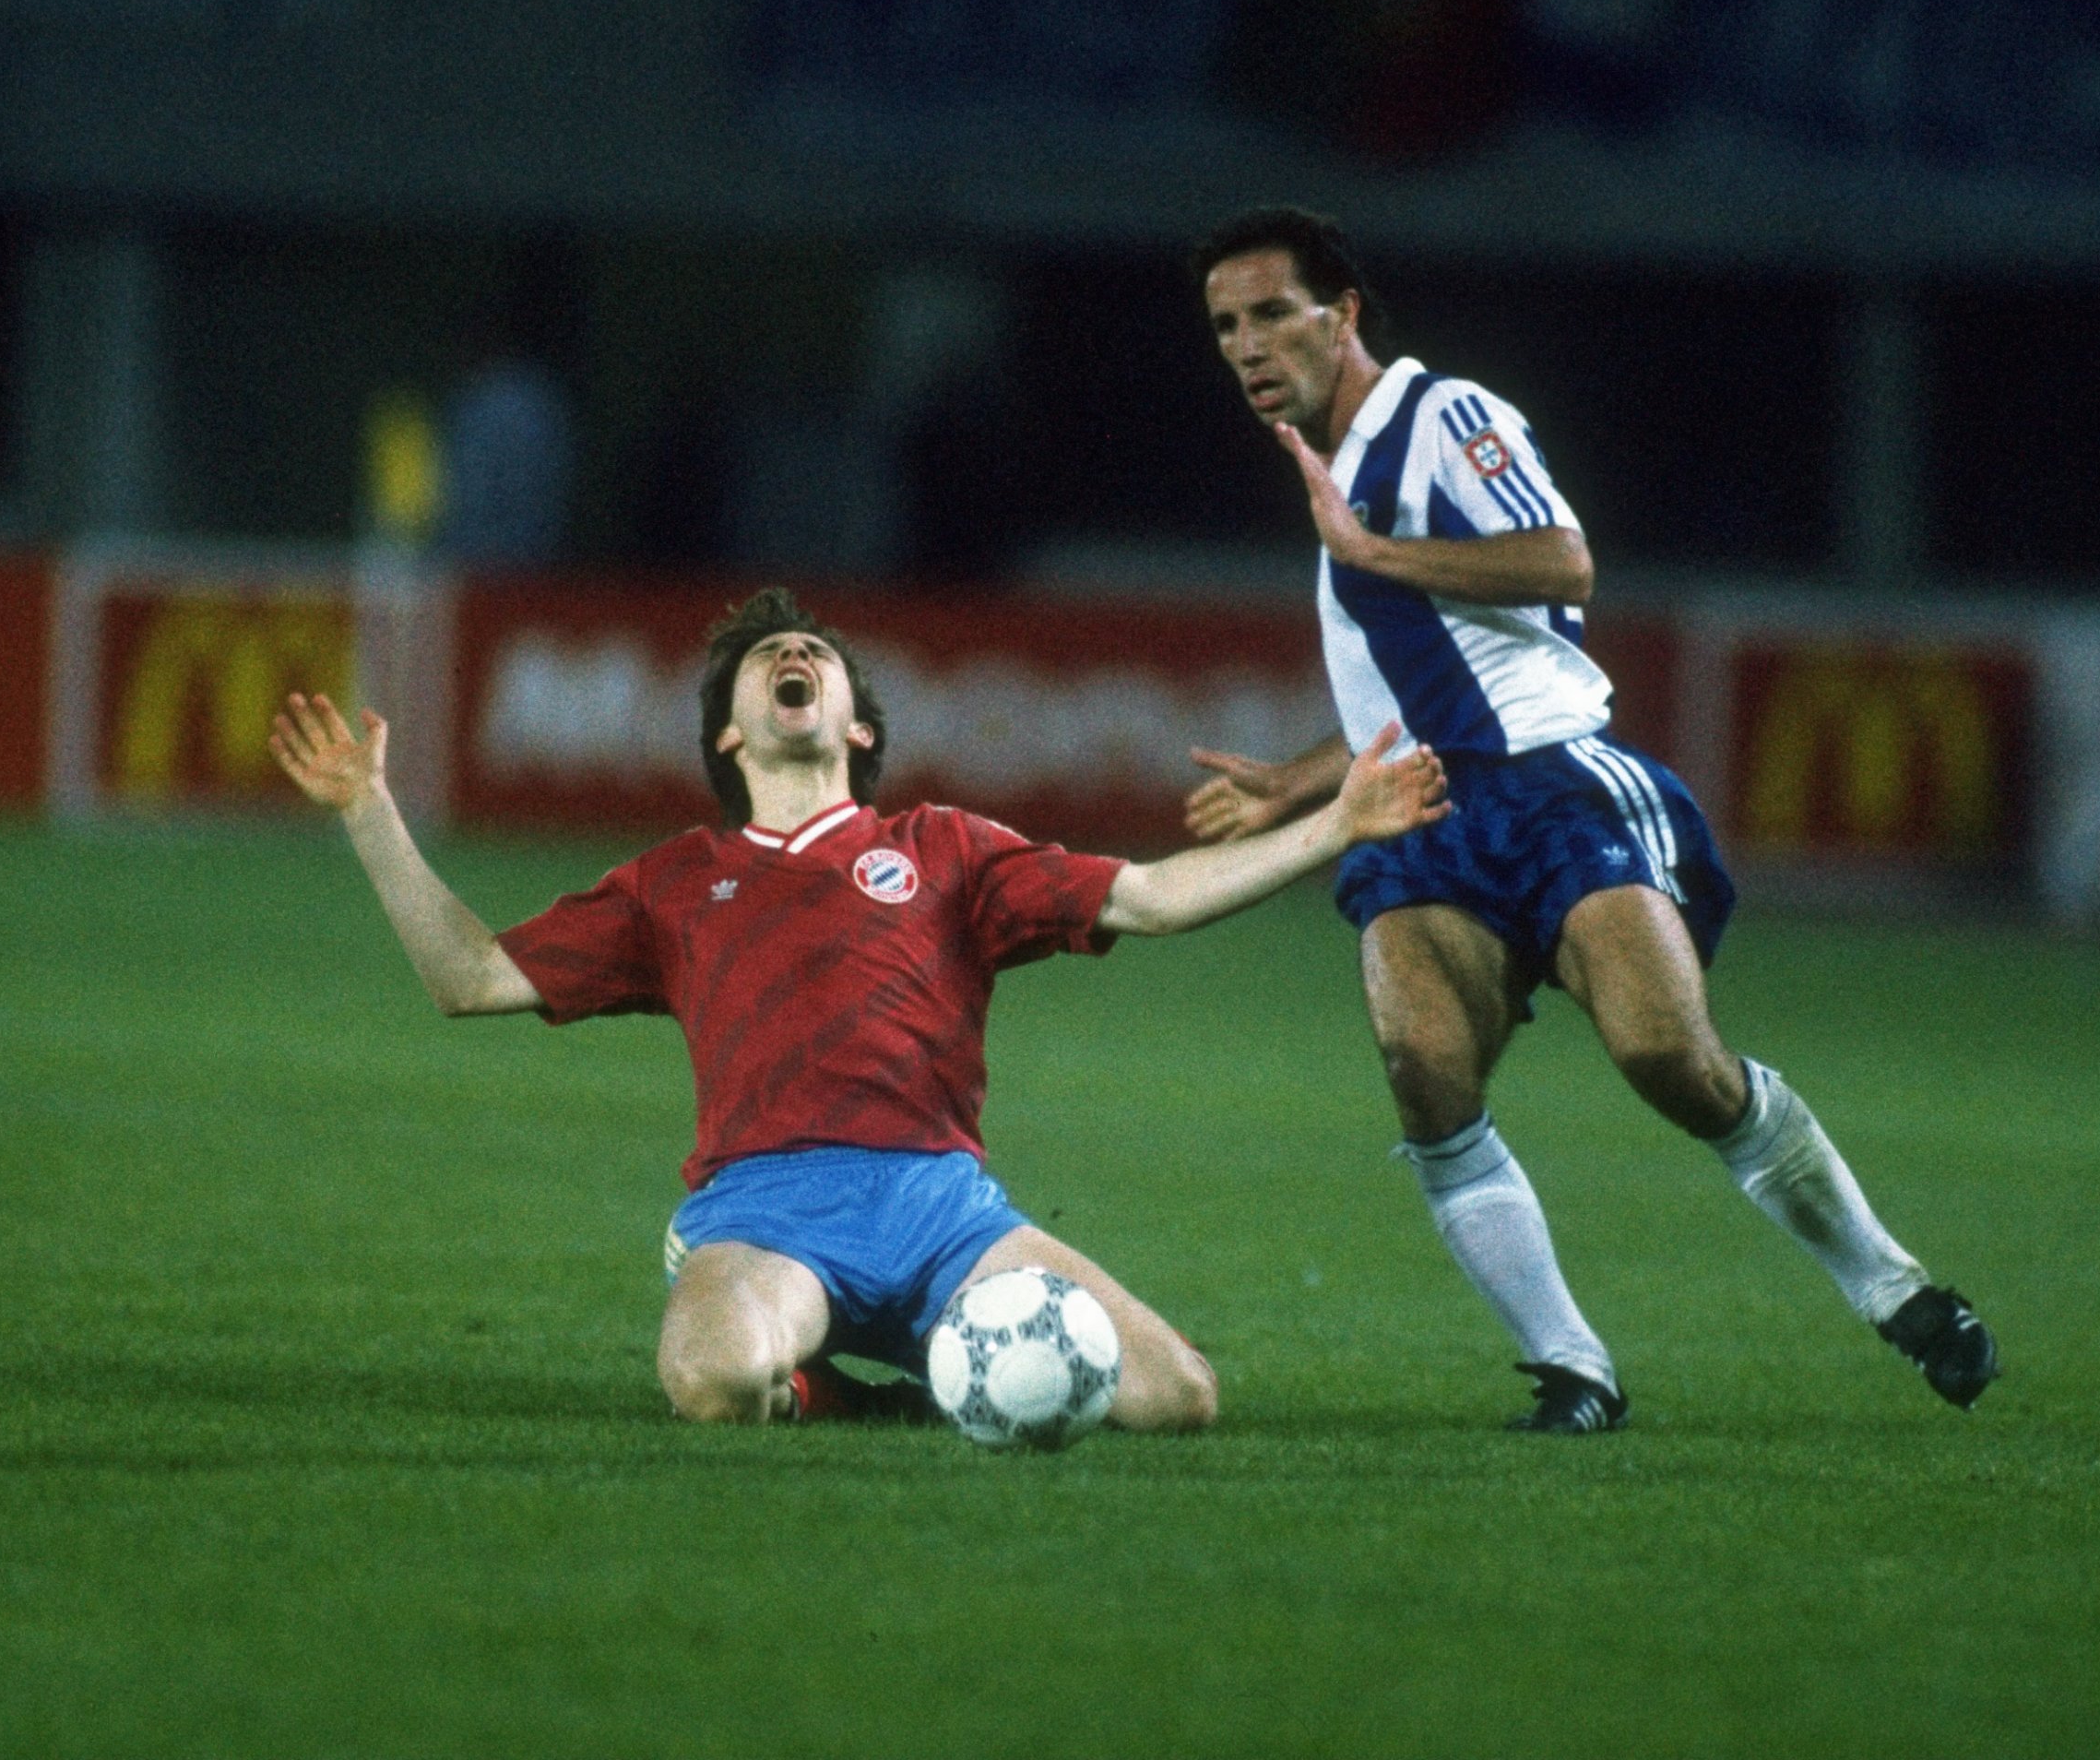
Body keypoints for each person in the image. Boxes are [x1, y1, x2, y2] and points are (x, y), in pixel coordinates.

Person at [1181, 207, 1999, 1432]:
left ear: (1340, 313)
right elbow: (1415, 690)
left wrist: (1380, 555)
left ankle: (1898, 1290)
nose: (1245, 345)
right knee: (1424, 1070)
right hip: (1428, 817)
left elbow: (1565, 563)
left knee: (1669, 1058)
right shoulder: (1337, 478)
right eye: (1224, 326)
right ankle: (1574, 1371)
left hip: (1558, 787)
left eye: (1267, 313)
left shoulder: (1445, 419)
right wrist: (1292, 788)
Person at [268, 585, 1448, 1430]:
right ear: (732, 730)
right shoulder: (676, 881)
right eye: (769, 654)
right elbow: (468, 978)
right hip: (769, 1213)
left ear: (859, 725)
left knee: (1177, 1399)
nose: (796, 654)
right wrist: (369, 810)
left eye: (816, 654)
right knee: (713, 1388)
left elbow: (1154, 899)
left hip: (941, 1207)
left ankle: (902, 1375)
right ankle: (817, 1379)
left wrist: (1336, 826)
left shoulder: (945, 849)